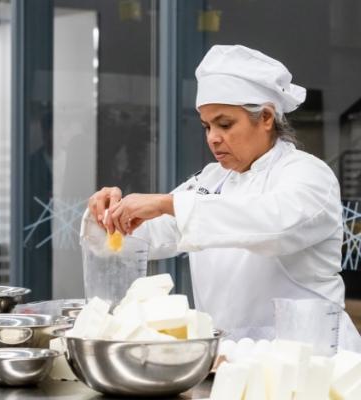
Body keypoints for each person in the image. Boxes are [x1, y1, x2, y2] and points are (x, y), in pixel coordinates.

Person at [88, 45, 361, 350]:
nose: (212, 138)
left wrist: (168, 203)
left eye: (225, 124)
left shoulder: (309, 175)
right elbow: (148, 236)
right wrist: (109, 217)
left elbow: (273, 225)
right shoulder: (211, 180)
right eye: (206, 126)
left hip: (308, 359)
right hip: (229, 357)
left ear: (266, 117)